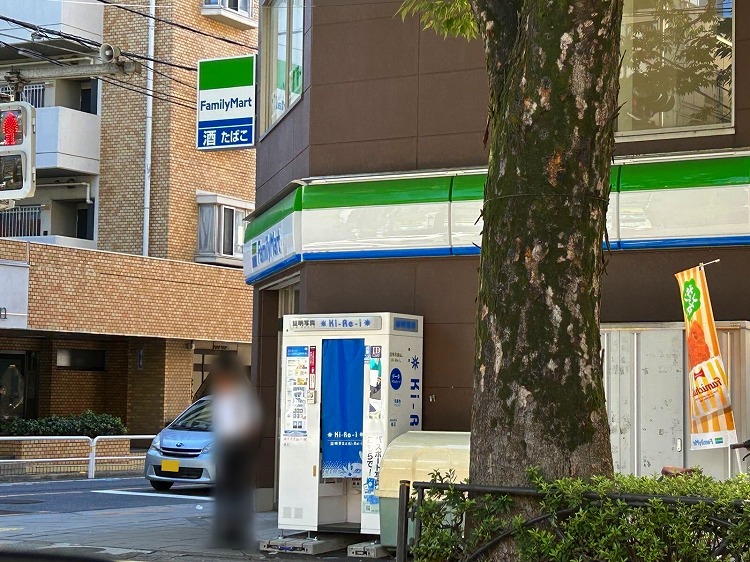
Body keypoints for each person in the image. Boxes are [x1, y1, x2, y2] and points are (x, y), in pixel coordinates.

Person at [210, 353, 262, 550]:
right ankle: (225, 532)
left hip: (239, 447)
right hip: (225, 446)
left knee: (238, 491)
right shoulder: (221, 397)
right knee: (224, 491)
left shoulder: (241, 395)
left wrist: (248, 451)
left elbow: (252, 425)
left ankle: (239, 533)